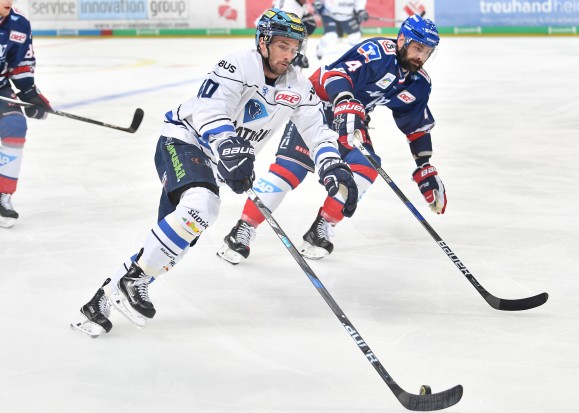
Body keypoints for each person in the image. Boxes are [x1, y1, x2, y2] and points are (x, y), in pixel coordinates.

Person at [70, 8, 358, 338]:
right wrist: (228, 144)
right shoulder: (237, 64)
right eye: (282, 45)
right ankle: (132, 280)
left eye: (295, 48)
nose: (289, 54)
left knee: (178, 238)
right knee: (203, 206)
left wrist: (332, 164)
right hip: (184, 141)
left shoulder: (297, 85)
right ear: (263, 42)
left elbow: (316, 130)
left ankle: (101, 301)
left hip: (218, 160)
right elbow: (210, 108)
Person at [217, 14, 446, 264]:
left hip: (353, 117)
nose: (421, 57)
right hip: (317, 106)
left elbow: (416, 126)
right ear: (402, 39)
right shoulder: (377, 52)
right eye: (418, 48)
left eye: (427, 52)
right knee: (290, 169)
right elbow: (334, 74)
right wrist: (345, 101)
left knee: (367, 167)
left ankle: (321, 229)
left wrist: (425, 166)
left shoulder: (419, 83)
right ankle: (244, 229)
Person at [0, 0, 52, 228]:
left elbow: (20, 64)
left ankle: (3, 195)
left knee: (15, 125)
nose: (9, 1)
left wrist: (30, 94)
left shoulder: (18, 24)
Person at [271, 0, 317, 69]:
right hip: (274, 32)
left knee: (309, 23)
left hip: (271, 29)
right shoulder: (291, 7)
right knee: (308, 24)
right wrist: (297, 55)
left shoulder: (294, 4)